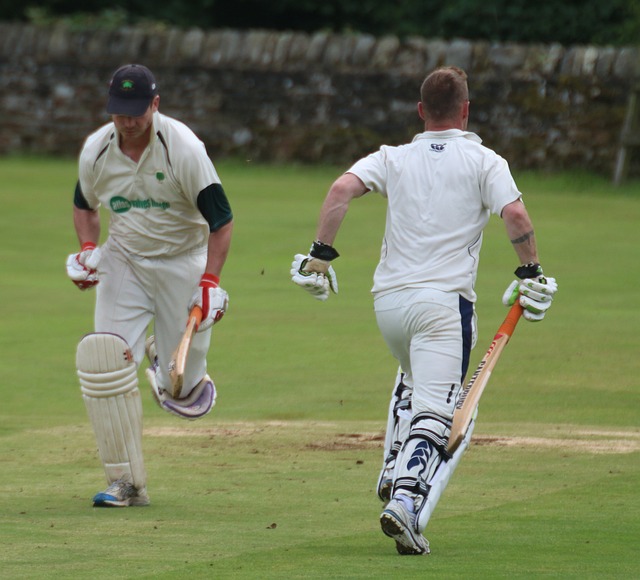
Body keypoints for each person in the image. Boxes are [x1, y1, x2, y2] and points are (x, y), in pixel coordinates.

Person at [291, 66, 557, 554]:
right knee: (438, 411)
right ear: (466, 110)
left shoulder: (393, 156)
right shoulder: (484, 160)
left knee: (412, 382)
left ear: (420, 110)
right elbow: (515, 215)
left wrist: (319, 257)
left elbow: (339, 191)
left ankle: (394, 467)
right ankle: (407, 502)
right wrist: (531, 272)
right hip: (443, 306)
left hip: (388, 305)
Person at [66, 64, 233, 507]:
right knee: (106, 364)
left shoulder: (183, 148)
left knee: (185, 393)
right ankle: (125, 482)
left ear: (155, 105)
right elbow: (84, 205)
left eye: (137, 111)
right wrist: (87, 250)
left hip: (183, 260)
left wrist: (209, 284)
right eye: (120, 112)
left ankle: (166, 356)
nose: (128, 121)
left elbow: (221, 221)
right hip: (125, 261)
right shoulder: (97, 150)